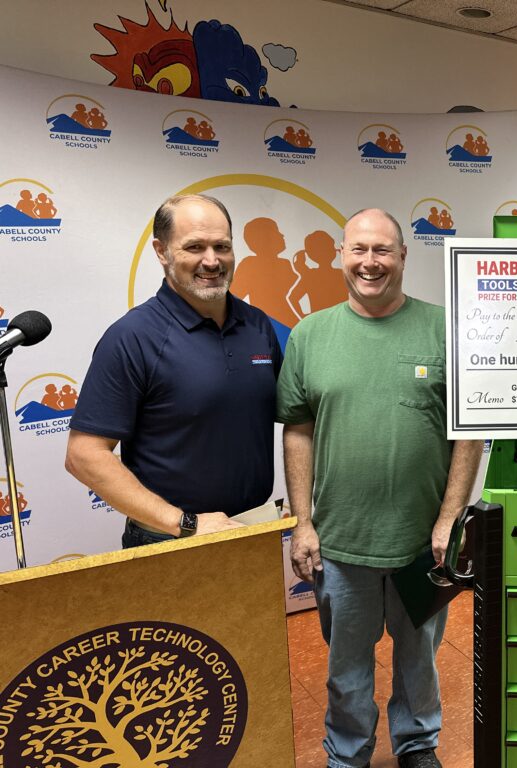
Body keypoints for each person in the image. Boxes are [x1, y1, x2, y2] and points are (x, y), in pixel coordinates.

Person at [278, 208, 482, 768]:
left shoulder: (445, 329)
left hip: (422, 544)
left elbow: (468, 435)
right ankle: (349, 753)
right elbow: (297, 430)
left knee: (419, 660)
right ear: (341, 255)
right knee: (346, 668)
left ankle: (416, 745)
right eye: (359, 250)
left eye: (383, 250)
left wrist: (449, 520)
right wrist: (302, 523)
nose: (370, 262)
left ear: (403, 256)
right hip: (341, 542)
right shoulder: (310, 335)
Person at [65, 194, 281, 546]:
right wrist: (186, 524)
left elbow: (294, 413)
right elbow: (84, 455)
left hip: (251, 531)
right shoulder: (133, 336)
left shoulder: (257, 324)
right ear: (161, 251)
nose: (211, 261)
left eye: (222, 247)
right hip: (171, 539)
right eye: (194, 247)